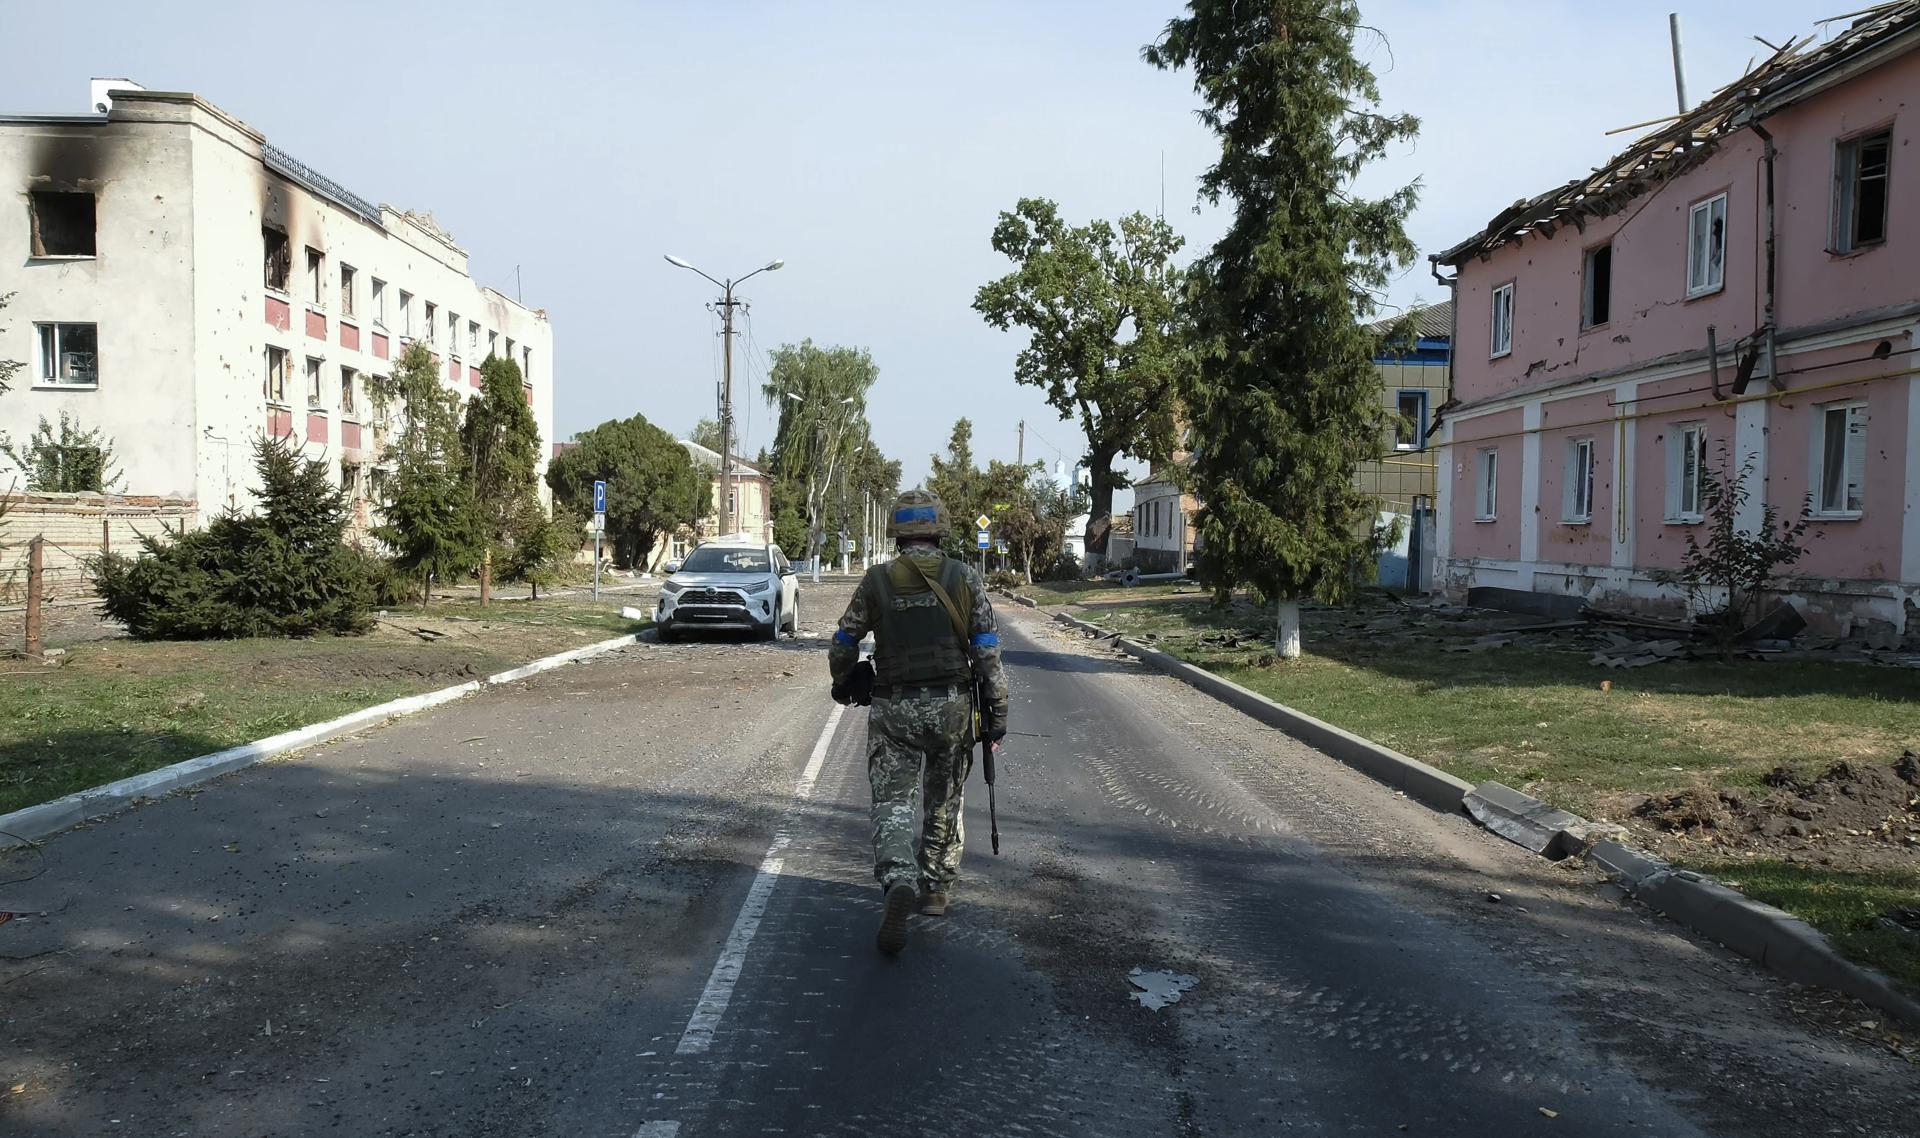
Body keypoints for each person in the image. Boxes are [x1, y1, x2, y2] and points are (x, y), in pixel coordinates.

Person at [828, 488, 1009, 955]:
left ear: (897, 534)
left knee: (892, 802)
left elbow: (843, 641)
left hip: (894, 708)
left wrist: (846, 680)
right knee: (944, 798)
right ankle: (934, 889)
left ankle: (897, 879)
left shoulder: (876, 581)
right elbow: (987, 651)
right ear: (938, 530)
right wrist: (998, 710)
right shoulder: (964, 577)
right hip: (951, 708)